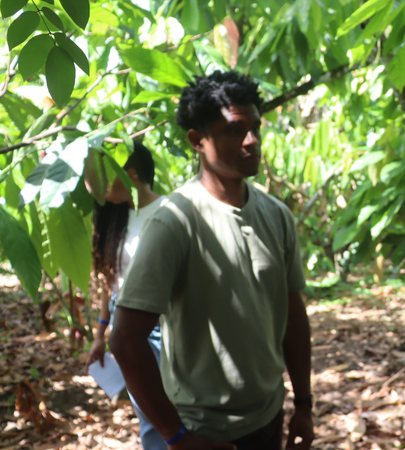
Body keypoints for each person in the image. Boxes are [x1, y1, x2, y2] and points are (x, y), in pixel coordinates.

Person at [109, 71, 314, 450]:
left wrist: (304, 404)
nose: (252, 141)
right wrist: (178, 437)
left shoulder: (275, 214)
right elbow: (125, 340)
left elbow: (293, 315)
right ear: (197, 141)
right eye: (236, 130)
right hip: (202, 429)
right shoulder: (175, 223)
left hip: (269, 417)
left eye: (255, 127)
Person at [85, 141, 168, 450]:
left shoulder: (168, 211)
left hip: (162, 321)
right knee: (148, 411)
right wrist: (100, 333)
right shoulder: (115, 218)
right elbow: (110, 280)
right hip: (127, 326)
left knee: (176, 404)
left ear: (130, 174)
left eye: (104, 178)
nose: (97, 188)